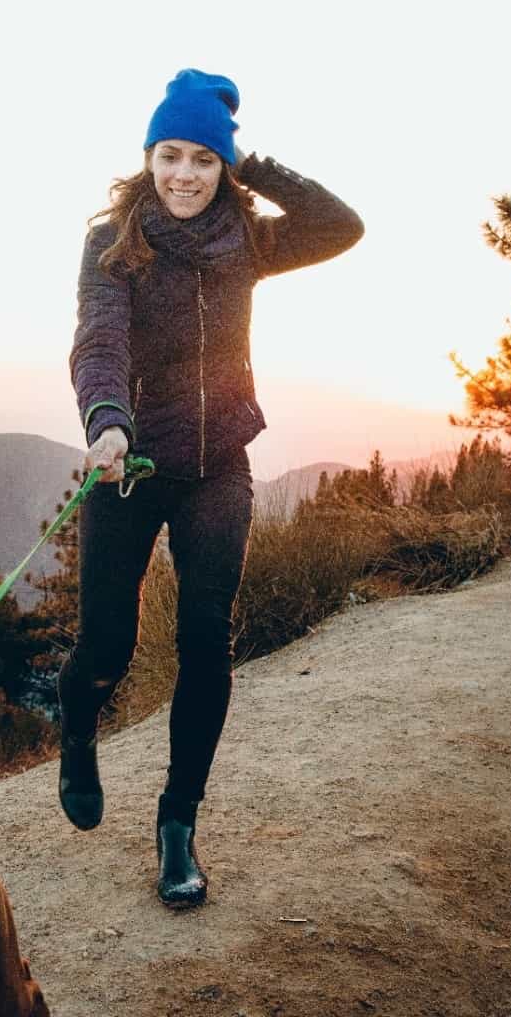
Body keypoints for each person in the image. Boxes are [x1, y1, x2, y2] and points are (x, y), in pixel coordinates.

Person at [58, 68, 364, 909]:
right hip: (132, 466)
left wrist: (250, 162)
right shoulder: (114, 241)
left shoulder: (250, 238)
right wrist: (107, 421)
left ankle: (177, 826)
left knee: (204, 640)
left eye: (202, 158)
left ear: (223, 166)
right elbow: (99, 340)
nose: (183, 174)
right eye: (169, 155)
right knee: (108, 647)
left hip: (219, 464)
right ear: (147, 156)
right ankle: (75, 724)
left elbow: (343, 225)